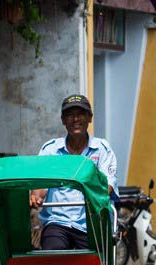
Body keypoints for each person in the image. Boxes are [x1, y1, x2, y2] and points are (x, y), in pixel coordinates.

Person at [30, 94, 118, 250]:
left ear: (90, 118)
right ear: (63, 120)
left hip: (91, 222)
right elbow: (41, 185)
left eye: (81, 114)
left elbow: (107, 187)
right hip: (57, 222)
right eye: (70, 115)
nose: (76, 119)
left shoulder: (102, 149)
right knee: (54, 252)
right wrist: (36, 196)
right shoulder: (50, 150)